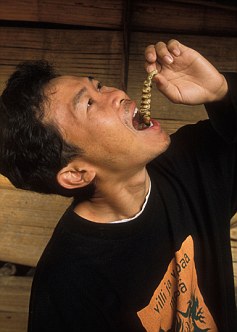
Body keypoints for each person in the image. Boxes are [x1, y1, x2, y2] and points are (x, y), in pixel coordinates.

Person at [0, 39, 236, 331]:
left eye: (97, 86)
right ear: (76, 174)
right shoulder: (68, 286)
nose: (115, 93)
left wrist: (222, 92)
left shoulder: (189, 165)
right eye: (88, 104)